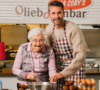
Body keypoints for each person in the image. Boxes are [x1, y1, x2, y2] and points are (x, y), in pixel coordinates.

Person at [45, 1, 90, 90]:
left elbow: (80, 56)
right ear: (49, 15)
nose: (56, 16)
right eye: (53, 13)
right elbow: (47, 53)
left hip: (75, 68)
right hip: (58, 69)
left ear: (63, 13)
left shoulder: (73, 29)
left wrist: (64, 73)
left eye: (59, 13)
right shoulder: (49, 29)